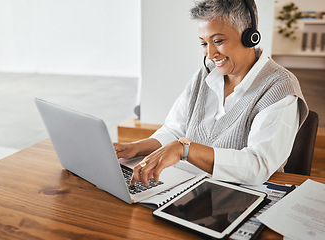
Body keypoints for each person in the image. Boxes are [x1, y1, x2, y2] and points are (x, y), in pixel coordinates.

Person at [113, 0, 308, 186]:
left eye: (218, 41)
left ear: (250, 36)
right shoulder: (204, 76)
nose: (210, 53)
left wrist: (185, 150)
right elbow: (174, 130)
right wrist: (135, 147)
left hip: (244, 198)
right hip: (191, 188)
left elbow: (258, 165)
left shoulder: (279, 87)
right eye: (204, 43)